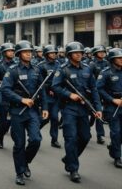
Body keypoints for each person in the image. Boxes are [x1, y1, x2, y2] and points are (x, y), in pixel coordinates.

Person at [52, 41, 103, 183]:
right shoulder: (62, 69)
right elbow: (55, 87)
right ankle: (73, 168)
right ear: (69, 55)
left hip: (84, 108)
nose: (79, 55)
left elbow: (94, 90)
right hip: (69, 108)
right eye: (76, 53)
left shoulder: (87, 69)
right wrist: (70, 95)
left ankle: (69, 158)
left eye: (80, 52)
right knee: (71, 138)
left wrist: (98, 108)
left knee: (85, 137)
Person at [1, 40, 49, 186]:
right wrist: (21, 99)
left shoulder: (36, 70)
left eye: (30, 51)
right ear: (19, 54)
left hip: (32, 111)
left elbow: (42, 90)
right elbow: (5, 89)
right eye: (26, 52)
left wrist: (45, 107)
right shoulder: (13, 71)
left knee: (36, 139)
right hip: (17, 111)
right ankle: (19, 172)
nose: (29, 54)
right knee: (19, 144)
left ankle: (25, 161)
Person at [96, 48, 122, 168]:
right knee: (116, 132)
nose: (121, 60)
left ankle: (113, 146)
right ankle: (117, 156)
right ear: (112, 60)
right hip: (112, 106)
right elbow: (99, 89)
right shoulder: (106, 72)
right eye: (119, 58)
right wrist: (112, 99)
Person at [37, 45, 62, 148]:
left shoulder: (59, 64)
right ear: (46, 54)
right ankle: (35, 130)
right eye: (51, 53)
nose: (54, 55)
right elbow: (40, 82)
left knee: (55, 118)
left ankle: (54, 139)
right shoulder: (41, 66)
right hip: (46, 95)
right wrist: (49, 89)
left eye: (55, 53)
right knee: (45, 118)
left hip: (56, 95)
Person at [0, 42, 15, 149]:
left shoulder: (16, 65)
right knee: (4, 122)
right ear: (4, 52)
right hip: (3, 96)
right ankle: (0, 139)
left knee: (11, 121)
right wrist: (2, 82)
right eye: (9, 51)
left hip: (15, 96)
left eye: (12, 51)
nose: (11, 53)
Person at [89, 45, 108, 144]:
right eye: (100, 52)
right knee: (95, 112)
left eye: (103, 52)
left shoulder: (107, 63)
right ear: (96, 53)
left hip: (104, 91)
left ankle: (100, 135)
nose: (102, 53)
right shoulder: (92, 64)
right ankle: (89, 125)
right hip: (94, 91)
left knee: (99, 111)